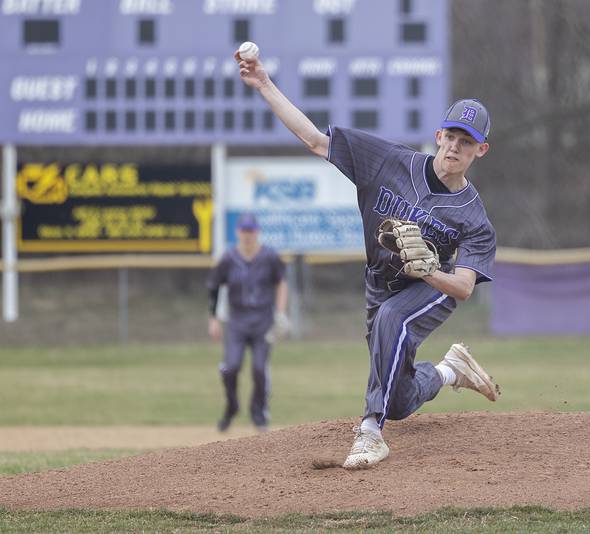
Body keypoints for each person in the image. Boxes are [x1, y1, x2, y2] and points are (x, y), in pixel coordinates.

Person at [234, 47, 500, 469]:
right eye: (450, 137)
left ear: (480, 151)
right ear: (438, 136)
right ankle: (450, 371)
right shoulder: (389, 163)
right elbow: (314, 139)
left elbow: (464, 287)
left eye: (465, 142)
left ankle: (371, 431)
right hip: (380, 284)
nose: (454, 147)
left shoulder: (473, 216)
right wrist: (264, 83)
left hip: (432, 289)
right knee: (398, 398)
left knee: (394, 322)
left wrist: (431, 270)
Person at [207, 213, 289, 432]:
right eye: (244, 230)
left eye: (251, 230)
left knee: (259, 369)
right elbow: (214, 286)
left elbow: (281, 282)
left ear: (257, 232)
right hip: (237, 321)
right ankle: (232, 406)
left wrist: (280, 313)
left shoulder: (269, 256)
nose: (247, 235)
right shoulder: (228, 258)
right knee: (231, 367)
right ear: (237, 232)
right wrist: (213, 318)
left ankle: (258, 412)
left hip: (263, 319)